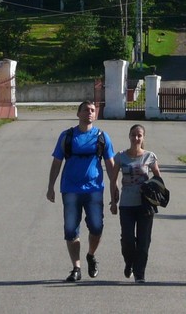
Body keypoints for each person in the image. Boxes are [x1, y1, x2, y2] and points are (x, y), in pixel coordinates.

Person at [46, 101, 117, 283]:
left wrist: (114, 187)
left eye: (93, 110)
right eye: (86, 110)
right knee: (71, 230)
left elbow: (110, 165)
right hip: (70, 190)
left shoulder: (102, 137)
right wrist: (51, 186)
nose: (89, 113)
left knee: (96, 227)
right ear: (78, 113)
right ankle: (76, 268)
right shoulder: (67, 136)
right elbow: (56, 162)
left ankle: (91, 255)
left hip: (94, 189)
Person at [110, 124, 161, 283]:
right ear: (129, 136)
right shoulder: (120, 156)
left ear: (143, 137)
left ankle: (140, 273)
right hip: (126, 204)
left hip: (145, 205)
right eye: (133, 135)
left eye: (139, 135)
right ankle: (129, 262)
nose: (136, 138)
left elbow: (158, 180)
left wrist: (155, 196)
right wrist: (113, 201)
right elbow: (113, 180)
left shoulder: (150, 157)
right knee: (127, 239)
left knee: (144, 240)